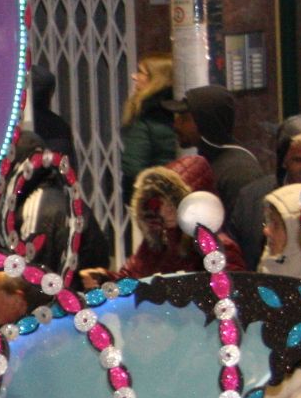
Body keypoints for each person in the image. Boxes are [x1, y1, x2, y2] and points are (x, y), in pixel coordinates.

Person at [81, 158, 241, 287]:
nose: (166, 210)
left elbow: (233, 296)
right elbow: (133, 279)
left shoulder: (219, 248)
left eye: (176, 203)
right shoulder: (156, 243)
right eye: (160, 202)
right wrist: (104, 280)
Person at [165, 84, 263, 267]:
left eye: (184, 118)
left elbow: (246, 236)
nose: (176, 124)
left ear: (205, 123)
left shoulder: (239, 171)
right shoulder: (208, 161)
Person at [119, 53, 178, 201]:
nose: (134, 76)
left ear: (156, 80)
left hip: (150, 201)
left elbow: (132, 167)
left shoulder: (147, 115)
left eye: (141, 72)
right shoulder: (178, 112)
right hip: (177, 194)